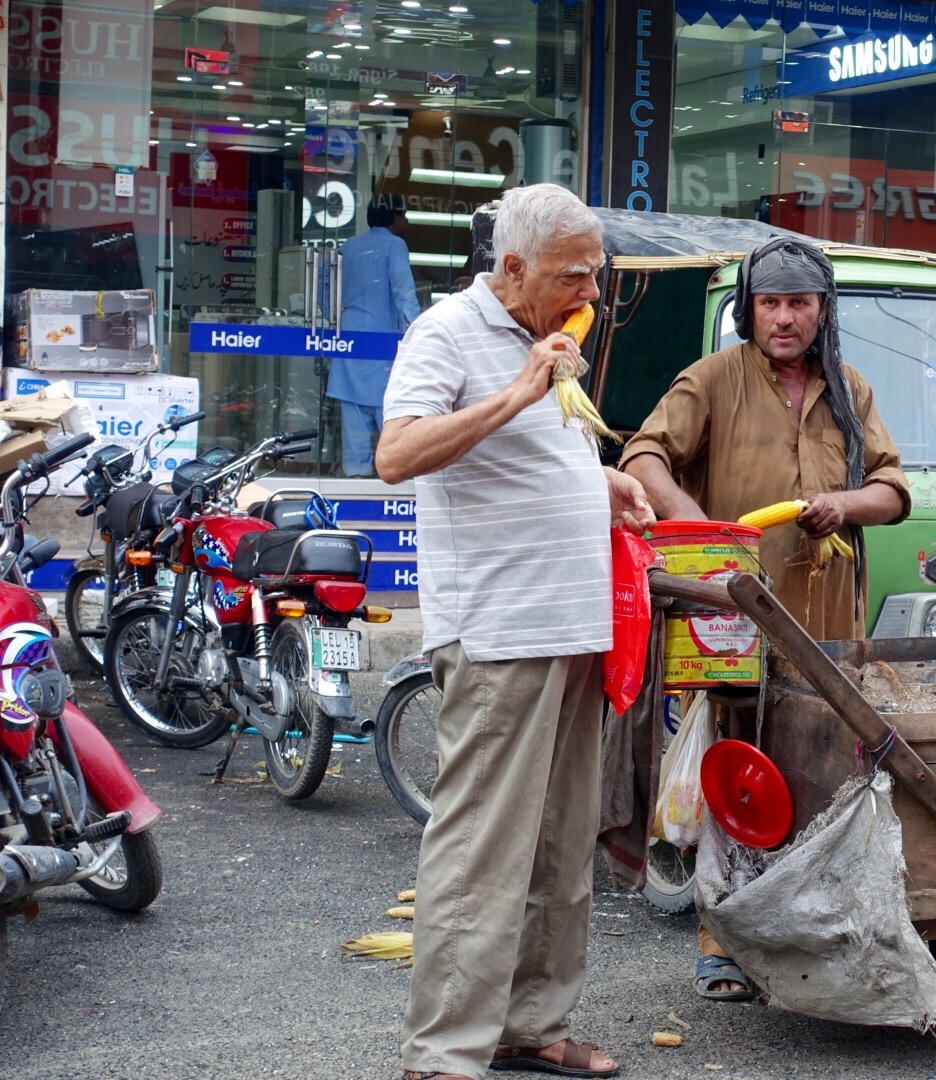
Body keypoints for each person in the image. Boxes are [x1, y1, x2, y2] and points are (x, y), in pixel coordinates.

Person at [375, 183, 654, 1080]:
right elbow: (398, 454)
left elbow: (538, 457)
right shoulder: (449, 333)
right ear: (512, 268)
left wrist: (601, 484)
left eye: (595, 273)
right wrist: (519, 387)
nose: (592, 291)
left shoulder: (553, 337)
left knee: (562, 844)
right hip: (500, 632)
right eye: (575, 275)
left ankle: (531, 1026)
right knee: (480, 852)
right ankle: (444, 1052)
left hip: (572, 628)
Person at [619, 236, 910, 1002]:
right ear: (749, 308)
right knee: (737, 778)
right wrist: (699, 529)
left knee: (823, 779)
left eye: (799, 304)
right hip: (734, 623)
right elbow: (643, 456)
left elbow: (893, 491)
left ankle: (813, 934)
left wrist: (843, 506)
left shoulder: (849, 390)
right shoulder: (713, 380)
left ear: (823, 310)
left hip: (824, 626)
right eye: (771, 303)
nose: (784, 318)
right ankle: (724, 941)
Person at [331, 196, 421, 477]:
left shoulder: (349, 246)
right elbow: (403, 290)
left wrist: (332, 315)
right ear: (394, 218)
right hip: (381, 341)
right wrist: (419, 330)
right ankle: (390, 478)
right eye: (403, 215)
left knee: (354, 416)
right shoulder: (395, 245)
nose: (405, 221)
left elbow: (326, 285)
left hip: (347, 336)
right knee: (390, 412)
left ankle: (356, 476)